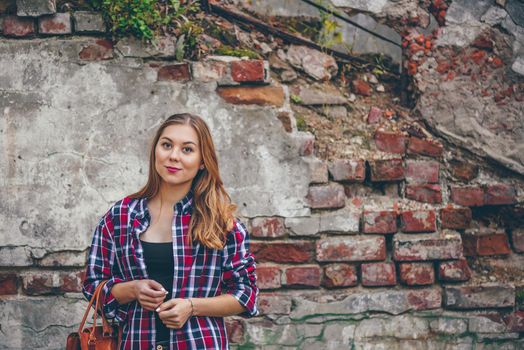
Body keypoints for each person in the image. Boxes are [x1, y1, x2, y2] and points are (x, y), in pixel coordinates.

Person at [82, 113, 259, 349]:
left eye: (187, 149)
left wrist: (192, 306)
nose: (173, 156)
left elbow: (246, 294)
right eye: (166, 145)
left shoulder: (220, 223)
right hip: (137, 342)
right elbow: (92, 286)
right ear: (156, 150)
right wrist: (133, 290)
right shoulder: (120, 216)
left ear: (202, 161)